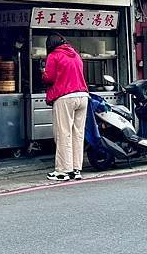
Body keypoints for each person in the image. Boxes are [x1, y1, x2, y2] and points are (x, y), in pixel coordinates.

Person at [42, 33, 89, 182]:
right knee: (78, 134)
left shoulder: (54, 56)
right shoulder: (75, 54)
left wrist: (41, 73)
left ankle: (63, 171)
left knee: (63, 134)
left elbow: (49, 77)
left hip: (65, 96)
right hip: (82, 96)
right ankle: (76, 170)